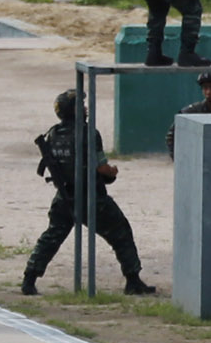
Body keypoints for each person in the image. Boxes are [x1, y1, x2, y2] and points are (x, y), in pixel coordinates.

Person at [23, 88, 153, 295]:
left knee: (51, 237)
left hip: (65, 196)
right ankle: (133, 279)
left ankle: (29, 278)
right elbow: (101, 168)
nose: (85, 108)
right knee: (121, 232)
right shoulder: (89, 133)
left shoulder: (54, 134)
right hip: (91, 196)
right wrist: (112, 172)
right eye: (80, 105)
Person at [166, 68, 211, 159]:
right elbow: (171, 136)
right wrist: (179, 159)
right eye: (205, 88)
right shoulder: (191, 112)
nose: (208, 92)